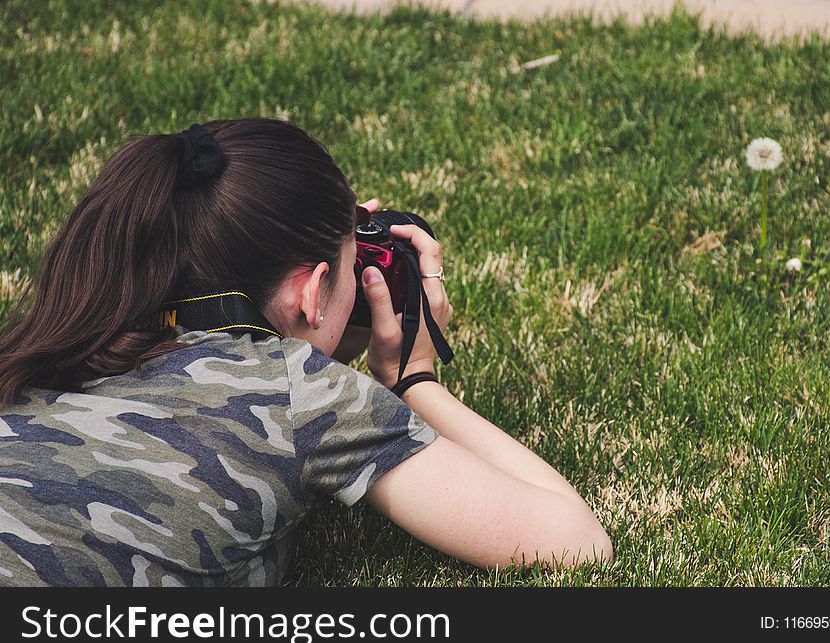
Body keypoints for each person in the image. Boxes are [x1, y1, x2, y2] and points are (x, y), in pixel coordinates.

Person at [0, 118, 612, 587]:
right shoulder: (300, 392)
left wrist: (317, 329)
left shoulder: (53, 343)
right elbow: (573, 546)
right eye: (353, 270)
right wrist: (414, 380)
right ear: (313, 294)